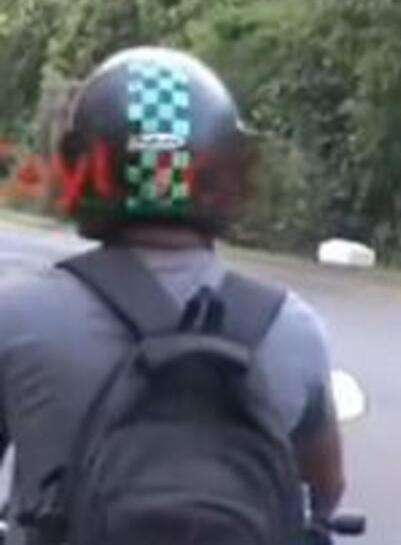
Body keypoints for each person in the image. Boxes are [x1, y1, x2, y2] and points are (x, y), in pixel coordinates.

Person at [0, 47, 345, 544]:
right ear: (224, 177)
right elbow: (326, 491)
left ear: (86, 167)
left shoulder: (19, 318)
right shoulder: (292, 327)